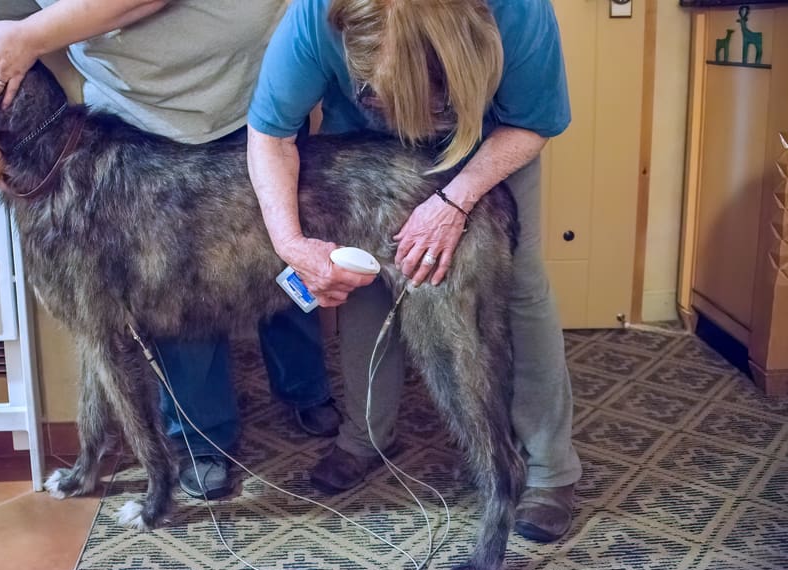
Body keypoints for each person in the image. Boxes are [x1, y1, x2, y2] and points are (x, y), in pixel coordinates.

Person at [0, 0, 343, 500]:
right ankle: (202, 437)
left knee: (282, 252)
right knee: (174, 287)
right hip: (136, 126)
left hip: (254, 96)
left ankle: (305, 387)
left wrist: (31, 34)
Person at [246, 0, 583, 542]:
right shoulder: (314, 16)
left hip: (491, 141)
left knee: (517, 286)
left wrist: (455, 200)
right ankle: (365, 438)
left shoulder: (519, 12)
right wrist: (291, 244)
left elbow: (533, 122)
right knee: (365, 286)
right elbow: (270, 135)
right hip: (361, 148)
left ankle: (550, 470)